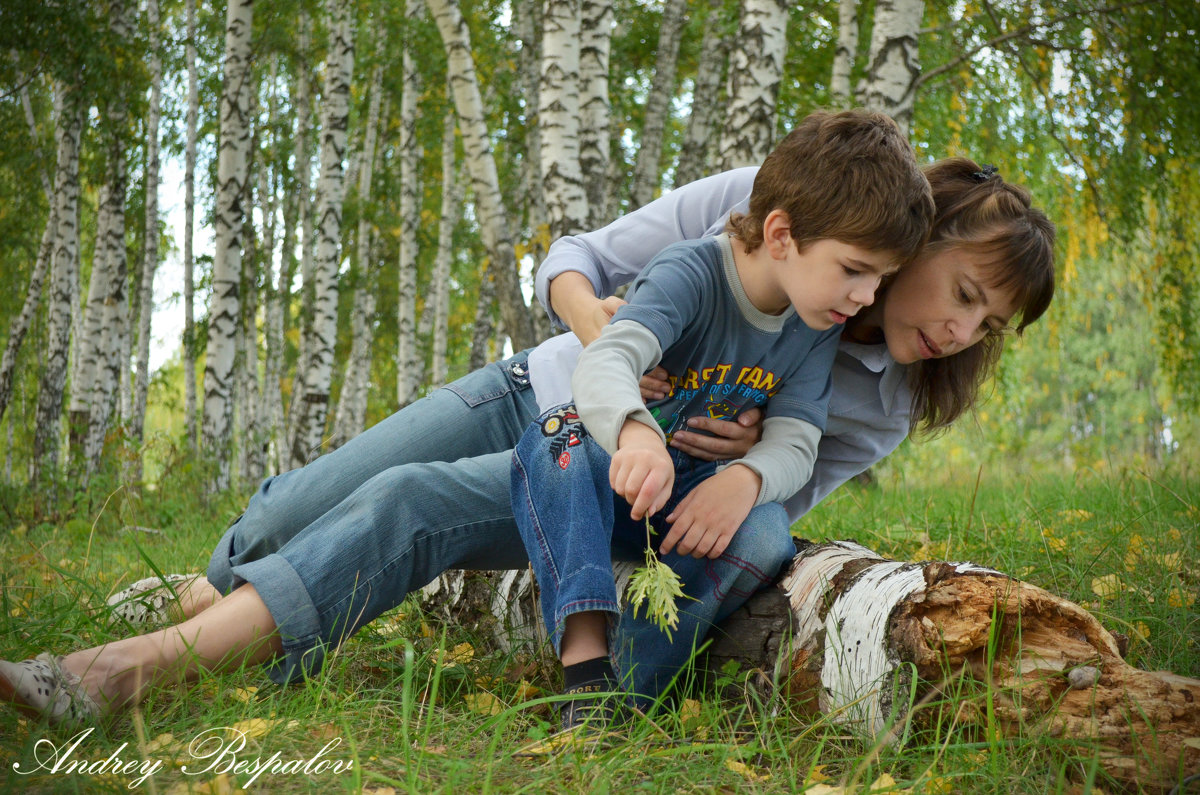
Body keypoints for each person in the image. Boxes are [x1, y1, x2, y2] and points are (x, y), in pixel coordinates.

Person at [0, 137, 1054, 724]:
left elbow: (774, 509)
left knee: (404, 510)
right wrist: (636, 369)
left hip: (615, 496)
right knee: (310, 499)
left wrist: (749, 477)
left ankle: (187, 644)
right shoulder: (761, 211)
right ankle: (215, 595)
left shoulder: (878, 391)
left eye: (989, 323)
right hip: (541, 395)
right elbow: (576, 264)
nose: (961, 329)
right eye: (961, 290)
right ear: (921, 224)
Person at [510, 109, 935, 730]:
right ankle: (584, 665)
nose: (867, 298)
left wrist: (746, 480)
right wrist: (635, 432)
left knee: (766, 535)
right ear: (783, 235)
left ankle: (628, 695)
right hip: (611, 484)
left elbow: (797, 438)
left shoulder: (816, 327)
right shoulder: (692, 271)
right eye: (854, 270)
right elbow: (607, 360)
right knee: (557, 437)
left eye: (880, 280)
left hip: (684, 514)